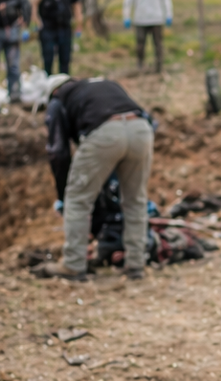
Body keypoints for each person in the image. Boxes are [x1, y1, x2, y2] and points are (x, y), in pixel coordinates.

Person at [35, 75, 154, 282]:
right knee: (135, 200)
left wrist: (64, 193)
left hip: (105, 132)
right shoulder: (103, 85)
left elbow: (58, 152)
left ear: (53, 92)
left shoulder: (59, 99)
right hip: (141, 130)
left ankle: (73, 264)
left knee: (78, 201)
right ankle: (136, 264)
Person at [32, 0, 82, 75]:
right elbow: (33, 4)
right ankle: (48, 85)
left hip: (64, 28)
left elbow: (76, 5)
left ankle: (64, 87)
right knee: (47, 59)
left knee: (65, 60)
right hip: (47, 28)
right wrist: (36, 21)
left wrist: (79, 23)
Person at [122, 0, 172, 74]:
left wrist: (168, 14)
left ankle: (159, 67)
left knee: (158, 44)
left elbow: (166, 0)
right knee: (140, 45)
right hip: (140, 19)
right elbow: (128, 1)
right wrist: (126, 16)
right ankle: (140, 66)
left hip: (157, 19)